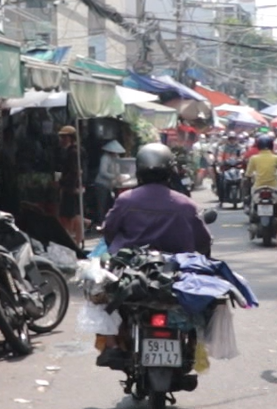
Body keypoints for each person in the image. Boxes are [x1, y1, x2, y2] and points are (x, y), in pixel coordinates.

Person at [96, 143, 214, 368]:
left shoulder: (125, 200)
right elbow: (203, 241)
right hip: (175, 272)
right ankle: (191, 345)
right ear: (170, 171)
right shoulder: (186, 204)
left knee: (101, 292)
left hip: (131, 271)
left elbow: (109, 231)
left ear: (139, 170)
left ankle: (110, 345)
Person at [54, 124, 85, 245]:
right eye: (61, 137)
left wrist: (62, 183)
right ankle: (77, 239)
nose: (61, 140)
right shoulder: (74, 151)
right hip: (74, 187)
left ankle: (73, 241)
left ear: (71, 138)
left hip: (71, 188)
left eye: (64, 137)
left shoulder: (74, 152)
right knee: (74, 214)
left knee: (69, 215)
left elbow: (75, 172)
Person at [90, 138, 126, 224]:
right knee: (101, 205)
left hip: (110, 185)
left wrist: (120, 176)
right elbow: (103, 172)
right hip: (101, 185)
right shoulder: (105, 158)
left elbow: (118, 169)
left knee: (109, 205)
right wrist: (115, 177)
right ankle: (100, 223)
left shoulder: (116, 157)